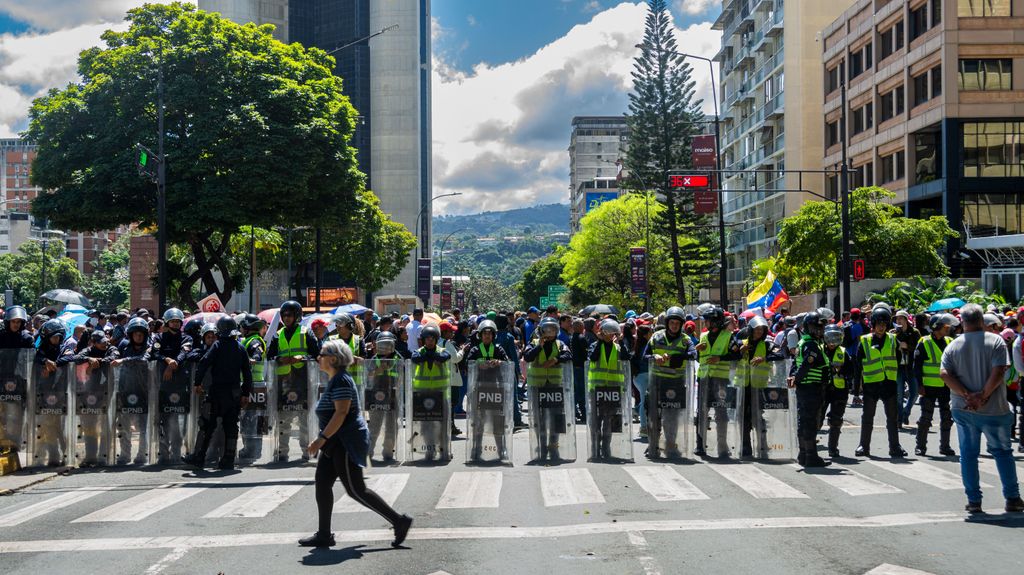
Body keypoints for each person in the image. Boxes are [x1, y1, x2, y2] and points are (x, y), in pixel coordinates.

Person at [299, 339, 413, 548]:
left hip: (345, 441)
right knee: (323, 483)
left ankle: (399, 521)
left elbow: (341, 413)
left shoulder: (341, 380)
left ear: (333, 359)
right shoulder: (335, 379)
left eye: (322, 354)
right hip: (334, 441)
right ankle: (324, 534)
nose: (318, 357)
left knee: (356, 489)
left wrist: (320, 439)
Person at [939, 303, 1024, 514]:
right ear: (981, 321)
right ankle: (1012, 498)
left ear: (963, 323)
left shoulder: (953, 345)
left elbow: (944, 374)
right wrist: (983, 395)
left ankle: (974, 501)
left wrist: (967, 395)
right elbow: (999, 371)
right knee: (1003, 452)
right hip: (994, 408)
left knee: (968, 454)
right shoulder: (995, 341)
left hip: (963, 408)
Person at [185, 316, 252, 470]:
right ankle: (228, 459)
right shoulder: (240, 347)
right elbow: (247, 373)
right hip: (234, 393)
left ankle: (199, 457)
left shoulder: (217, 345)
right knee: (231, 426)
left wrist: (197, 383)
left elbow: (203, 362)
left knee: (207, 424)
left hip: (216, 393)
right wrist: (245, 393)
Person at [267, 300, 320, 461]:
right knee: (284, 419)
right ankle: (282, 452)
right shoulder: (278, 334)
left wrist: (302, 357)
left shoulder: (306, 332)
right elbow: (269, 356)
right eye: (283, 315)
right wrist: (279, 359)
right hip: (283, 382)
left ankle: (307, 451)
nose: (286, 318)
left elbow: (316, 354)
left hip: (302, 380)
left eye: (289, 314)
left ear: (297, 316)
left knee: (304, 419)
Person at [643, 306, 694, 459]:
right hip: (656, 383)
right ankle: (653, 445)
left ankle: (670, 445)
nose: (674, 326)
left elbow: (693, 353)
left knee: (671, 418)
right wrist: (654, 358)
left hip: (676, 384)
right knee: (653, 415)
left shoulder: (685, 340)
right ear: (667, 323)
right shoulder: (656, 337)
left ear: (681, 325)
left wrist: (680, 357)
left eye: (677, 324)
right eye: (672, 323)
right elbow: (644, 356)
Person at [523, 317, 572, 461]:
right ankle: (542, 448)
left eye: (552, 330)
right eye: (547, 330)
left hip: (555, 387)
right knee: (540, 419)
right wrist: (540, 346)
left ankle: (554, 448)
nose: (550, 332)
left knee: (556, 419)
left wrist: (556, 360)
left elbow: (568, 354)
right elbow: (527, 357)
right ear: (541, 330)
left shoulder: (560, 343)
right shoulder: (534, 343)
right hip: (538, 387)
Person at [736, 315, 784, 459]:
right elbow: (730, 355)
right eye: (756, 330)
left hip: (759, 387)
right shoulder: (740, 342)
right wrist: (739, 350)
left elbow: (781, 354)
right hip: (743, 387)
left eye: (761, 330)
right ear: (750, 330)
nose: (758, 333)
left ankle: (762, 446)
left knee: (758, 417)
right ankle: (745, 446)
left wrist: (765, 358)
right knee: (743, 417)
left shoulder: (768, 345)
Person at [149, 308, 193, 464]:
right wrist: (167, 360)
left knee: (180, 422)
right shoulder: (159, 337)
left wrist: (174, 363)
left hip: (181, 385)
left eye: (177, 321)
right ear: (167, 322)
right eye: (172, 321)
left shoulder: (186, 337)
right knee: (164, 421)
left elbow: (185, 352)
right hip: (163, 386)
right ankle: (163, 453)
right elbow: (154, 354)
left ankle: (176, 453)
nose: (175, 323)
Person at [912, 313, 959, 457]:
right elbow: (917, 366)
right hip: (928, 387)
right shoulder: (924, 342)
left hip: (946, 387)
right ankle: (920, 446)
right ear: (936, 327)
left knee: (946, 418)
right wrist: (919, 385)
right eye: (945, 325)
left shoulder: (951, 341)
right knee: (926, 418)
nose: (948, 327)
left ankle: (945, 446)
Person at [465, 320, 512, 461]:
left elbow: (507, 362)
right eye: (484, 333)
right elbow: (468, 363)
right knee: (478, 421)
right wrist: (479, 364)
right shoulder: (475, 349)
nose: (487, 336)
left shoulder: (498, 349)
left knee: (498, 421)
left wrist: (499, 362)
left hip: (495, 388)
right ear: (480, 335)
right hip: (479, 389)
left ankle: (501, 450)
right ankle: (476, 449)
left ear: (493, 335)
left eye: (489, 333)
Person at [694, 306, 735, 458]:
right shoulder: (703, 336)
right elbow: (699, 358)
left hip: (720, 380)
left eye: (708, 320)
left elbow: (736, 355)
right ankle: (700, 445)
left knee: (721, 413)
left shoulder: (728, 336)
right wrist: (697, 350)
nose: (705, 323)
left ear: (716, 322)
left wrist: (720, 358)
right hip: (704, 379)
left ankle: (722, 446)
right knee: (701, 412)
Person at [587, 319, 631, 460]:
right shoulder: (595, 345)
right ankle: (595, 448)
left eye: (613, 333)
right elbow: (592, 358)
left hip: (613, 390)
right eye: (608, 333)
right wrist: (599, 341)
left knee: (608, 422)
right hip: (596, 389)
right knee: (595, 421)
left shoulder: (618, 347)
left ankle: (606, 448)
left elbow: (626, 358)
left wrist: (621, 341)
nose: (610, 335)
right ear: (602, 332)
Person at [791, 312, 831, 467]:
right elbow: (806, 365)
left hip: (809, 387)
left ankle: (804, 454)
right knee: (810, 422)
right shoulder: (810, 344)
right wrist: (798, 380)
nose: (819, 330)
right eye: (815, 327)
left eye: (821, 327)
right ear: (807, 327)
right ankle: (811, 456)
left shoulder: (806, 342)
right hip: (811, 387)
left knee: (805, 421)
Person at [111, 317, 152, 465]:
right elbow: (114, 357)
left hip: (144, 391)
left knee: (143, 428)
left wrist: (124, 361)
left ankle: (142, 454)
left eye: (141, 333)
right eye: (135, 333)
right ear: (130, 334)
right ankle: (125, 454)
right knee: (124, 425)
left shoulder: (150, 346)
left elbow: (144, 359)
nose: (138, 336)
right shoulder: (123, 345)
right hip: (125, 390)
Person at [33, 319, 74, 466]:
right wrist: (45, 361)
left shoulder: (64, 348)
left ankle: (67, 454)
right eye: (53, 337)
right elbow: (35, 358)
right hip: (44, 395)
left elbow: (70, 357)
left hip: (61, 393)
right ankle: (53, 456)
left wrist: (54, 364)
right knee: (47, 426)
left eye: (58, 337)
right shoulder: (41, 351)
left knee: (60, 426)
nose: (56, 339)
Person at [72, 330, 116, 466]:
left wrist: (98, 361)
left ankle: (104, 456)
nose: (105, 344)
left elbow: (113, 358)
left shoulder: (111, 349)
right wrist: (88, 359)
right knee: (90, 426)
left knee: (105, 425)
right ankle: (91, 456)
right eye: (101, 343)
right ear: (93, 343)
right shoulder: (88, 351)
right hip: (90, 394)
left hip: (108, 393)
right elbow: (76, 358)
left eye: (105, 342)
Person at [410, 325, 451, 460]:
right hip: (423, 395)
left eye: (432, 338)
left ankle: (444, 450)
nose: (430, 341)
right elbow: (415, 358)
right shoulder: (418, 352)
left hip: (440, 394)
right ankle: (430, 449)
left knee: (443, 425)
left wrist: (432, 356)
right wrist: (432, 356)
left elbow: (445, 356)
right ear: (423, 340)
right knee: (425, 426)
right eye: (427, 338)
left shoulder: (443, 351)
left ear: (436, 339)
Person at [0, 305, 34, 459]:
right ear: (8, 322)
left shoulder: (26, 338)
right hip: (1, 380)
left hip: (19, 381)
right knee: (2, 414)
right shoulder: (1, 336)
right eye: (14, 322)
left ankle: (14, 444)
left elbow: (31, 358)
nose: (16, 324)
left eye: (19, 322)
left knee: (16, 414)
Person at [365, 331, 402, 462]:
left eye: (388, 345)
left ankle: (388, 452)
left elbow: (403, 375)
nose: (385, 348)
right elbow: (367, 376)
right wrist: (377, 371)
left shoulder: (398, 358)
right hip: (377, 395)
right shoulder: (374, 359)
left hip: (393, 395)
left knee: (391, 426)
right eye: (382, 345)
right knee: (374, 425)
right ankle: (368, 452)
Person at [238, 313, 269, 461]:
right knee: (249, 418)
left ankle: (253, 451)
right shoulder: (249, 340)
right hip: (252, 385)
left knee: (252, 419)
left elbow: (257, 353)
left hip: (254, 386)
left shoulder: (255, 340)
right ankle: (250, 449)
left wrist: (253, 359)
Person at [820, 324, 851, 458]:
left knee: (836, 420)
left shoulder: (844, 352)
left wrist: (841, 371)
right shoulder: (819, 349)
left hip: (839, 391)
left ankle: (833, 448)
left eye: (836, 338)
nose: (832, 342)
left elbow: (851, 371)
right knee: (816, 418)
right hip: (822, 390)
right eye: (830, 338)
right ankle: (809, 446)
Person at [894, 310, 921, 427]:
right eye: (897, 319)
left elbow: (920, 349)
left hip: (911, 367)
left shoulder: (915, 332)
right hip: (899, 367)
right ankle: (899, 419)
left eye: (901, 318)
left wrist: (908, 347)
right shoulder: (894, 333)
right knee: (899, 395)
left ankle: (906, 411)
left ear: (906, 320)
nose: (898, 321)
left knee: (914, 393)